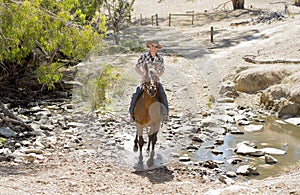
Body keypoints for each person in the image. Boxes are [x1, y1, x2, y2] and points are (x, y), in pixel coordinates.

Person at [129, 40, 169, 122]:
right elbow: (136, 67)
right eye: (152, 46)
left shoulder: (160, 58)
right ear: (149, 47)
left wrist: (158, 75)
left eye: (156, 46)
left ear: (158, 48)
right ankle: (132, 113)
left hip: (155, 81)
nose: (154, 48)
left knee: (162, 94)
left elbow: (162, 70)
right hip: (145, 80)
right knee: (136, 93)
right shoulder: (143, 56)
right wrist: (142, 74)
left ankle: (165, 114)